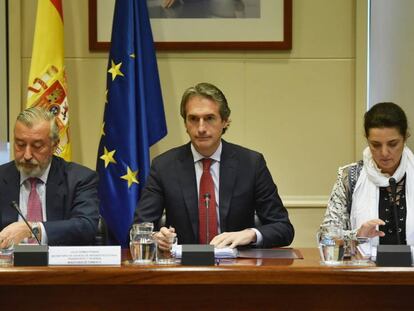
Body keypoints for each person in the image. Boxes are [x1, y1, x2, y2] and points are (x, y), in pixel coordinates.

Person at [134, 82, 294, 248]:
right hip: (185, 267)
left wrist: (250, 234)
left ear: (225, 121)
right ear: (185, 124)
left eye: (209, 118)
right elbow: (138, 229)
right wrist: (155, 237)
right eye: (193, 119)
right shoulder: (164, 166)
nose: (201, 128)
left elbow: (283, 228)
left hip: (237, 267)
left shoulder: (251, 164)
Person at [0, 107, 99, 247]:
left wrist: (33, 229)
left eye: (37, 146)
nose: (27, 155)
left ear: (54, 145)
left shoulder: (79, 179)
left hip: (59, 267)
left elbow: (86, 226)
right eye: (20, 145)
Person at [321, 102, 414, 246]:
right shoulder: (350, 176)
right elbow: (325, 238)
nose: (384, 153)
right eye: (376, 145)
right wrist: (356, 235)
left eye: (393, 144)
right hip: (364, 266)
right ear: (367, 141)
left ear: (405, 138)